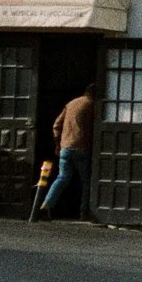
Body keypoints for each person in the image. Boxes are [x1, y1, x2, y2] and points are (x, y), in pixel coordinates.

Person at [35, 77, 100, 220]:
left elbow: (56, 125)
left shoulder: (71, 103)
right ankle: (85, 211)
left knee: (62, 177)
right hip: (82, 147)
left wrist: (58, 144)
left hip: (65, 147)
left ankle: (46, 205)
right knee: (86, 181)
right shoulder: (93, 105)